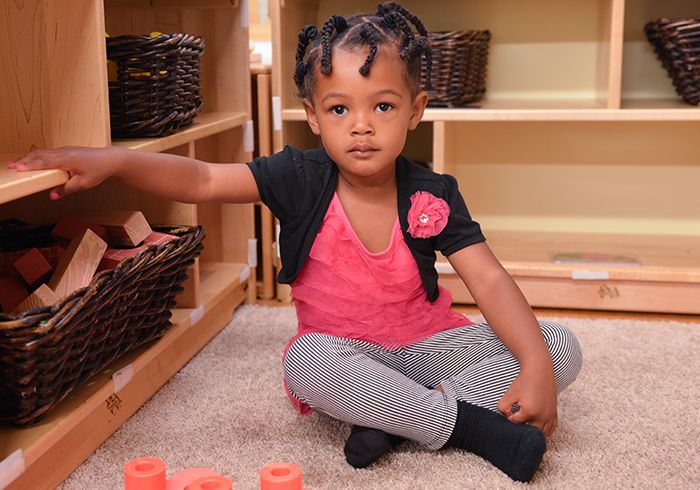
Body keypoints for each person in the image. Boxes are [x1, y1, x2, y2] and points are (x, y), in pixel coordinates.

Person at [9, 2, 582, 483]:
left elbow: (486, 278)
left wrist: (532, 363)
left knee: (558, 345)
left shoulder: (433, 191)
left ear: (416, 111)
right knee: (309, 367)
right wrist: (115, 161)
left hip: (432, 351)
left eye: (382, 106)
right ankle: (468, 426)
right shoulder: (299, 178)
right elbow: (203, 179)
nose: (361, 125)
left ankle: (396, 416)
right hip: (342, 354)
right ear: (312, 116)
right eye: (340, 109)